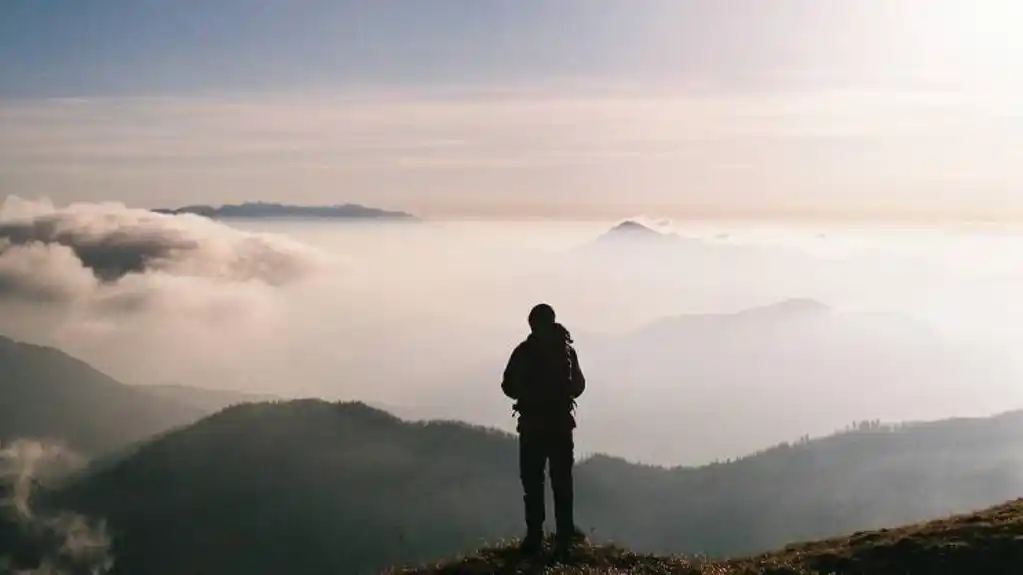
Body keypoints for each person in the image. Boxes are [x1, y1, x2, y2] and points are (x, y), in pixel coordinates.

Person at [501, 303, 587, 554]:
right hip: (561, 426)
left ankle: (534, 537)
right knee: (562, 481)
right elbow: (579, 385)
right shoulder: (566, 351)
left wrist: (527, 395)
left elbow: (507, 386)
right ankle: (564, 534)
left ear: (532, 323)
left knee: (532, 483)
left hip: (532, 427)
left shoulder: (524, 352)